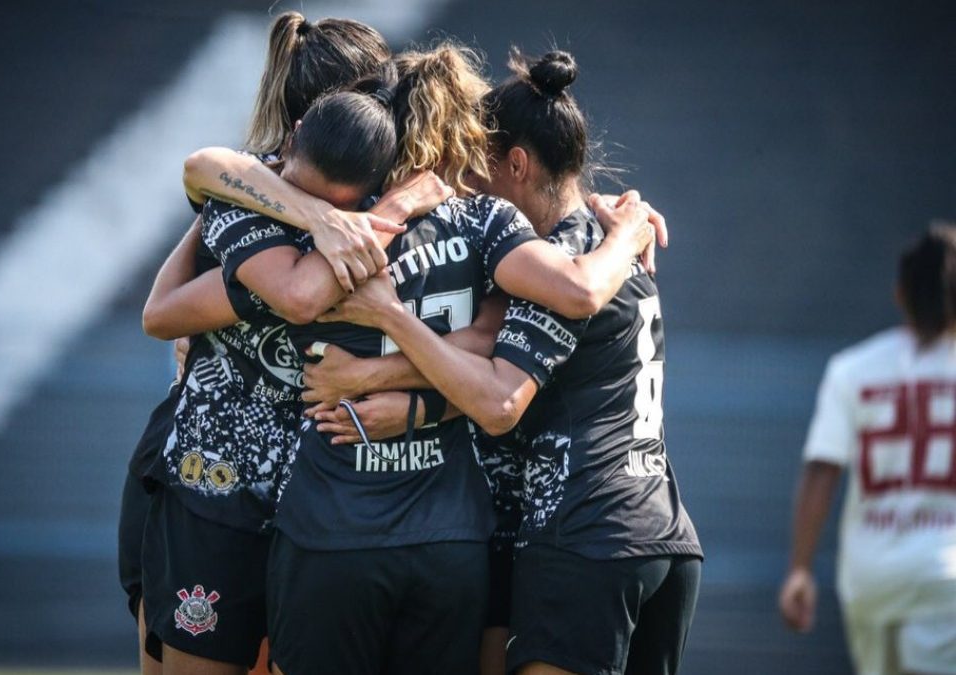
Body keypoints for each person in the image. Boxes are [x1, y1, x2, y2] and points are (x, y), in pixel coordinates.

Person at [171, 45, 661, 675]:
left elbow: (173, 297)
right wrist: (625, 227)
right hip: (452, 538)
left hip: (329, 530)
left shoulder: (337, 221)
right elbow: (502, 344)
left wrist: (376, 370)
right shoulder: (489, 225)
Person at [317, 49, 703, 675]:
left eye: (480, 167)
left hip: (586, 536)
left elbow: (499, 396)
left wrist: (383, 344)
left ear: (517, 164)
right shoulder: (605, 246)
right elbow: (486, 349)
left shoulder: (568, 264)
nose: (470, 186)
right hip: (661, 533)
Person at [121, 11, 431, 675]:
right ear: (308, 125)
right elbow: (263, 290)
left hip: (327, 506)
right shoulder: (254, 190)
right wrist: (322, 217)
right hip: (216, 492)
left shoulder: (392, 195)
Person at [779, 223, 956, 675]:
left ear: (900, 293)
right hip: (947, 579)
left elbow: (823, 469)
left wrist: (800, 568)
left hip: (871, 578)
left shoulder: (854, 369)